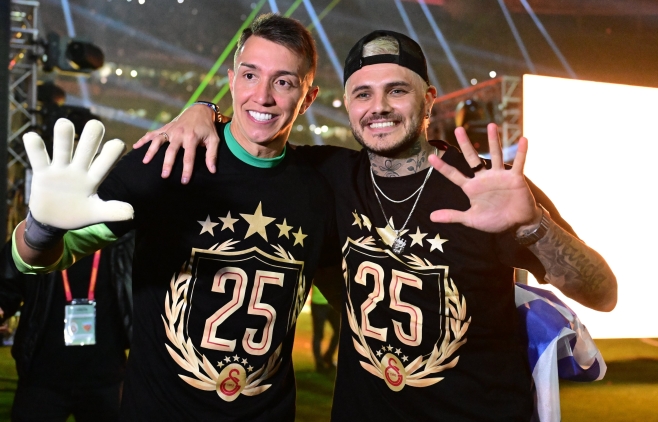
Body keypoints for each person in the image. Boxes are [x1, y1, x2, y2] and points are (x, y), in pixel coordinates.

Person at [141, 30, 619, 420]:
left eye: (397, 90)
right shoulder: (327, 176)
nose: (379, 107)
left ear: (428, 100)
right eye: (363, 93)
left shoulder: (485, 185)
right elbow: (256, 130)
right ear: (347, 104)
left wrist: (533, 225)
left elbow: (602, 293)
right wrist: (204, 112)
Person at [12, 14, 343, 421]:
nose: (262, 95)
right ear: (232, 80)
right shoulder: (167, 161)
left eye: (284, 82)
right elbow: (40, 258)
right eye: (250, 75)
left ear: (308, 98)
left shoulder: (319, 188)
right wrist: (42, 227)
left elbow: (347, 299)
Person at [0, 233, 133, 422]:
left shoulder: (124, 239)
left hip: (105, 376)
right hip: (42, 377)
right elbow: (5, 284)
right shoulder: (37, 233)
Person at [310, 285, 340, 373]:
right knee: (318, 334)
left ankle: (328, 356)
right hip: (318, 303)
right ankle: (319, 364)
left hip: (332, 302)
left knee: (339, 330)